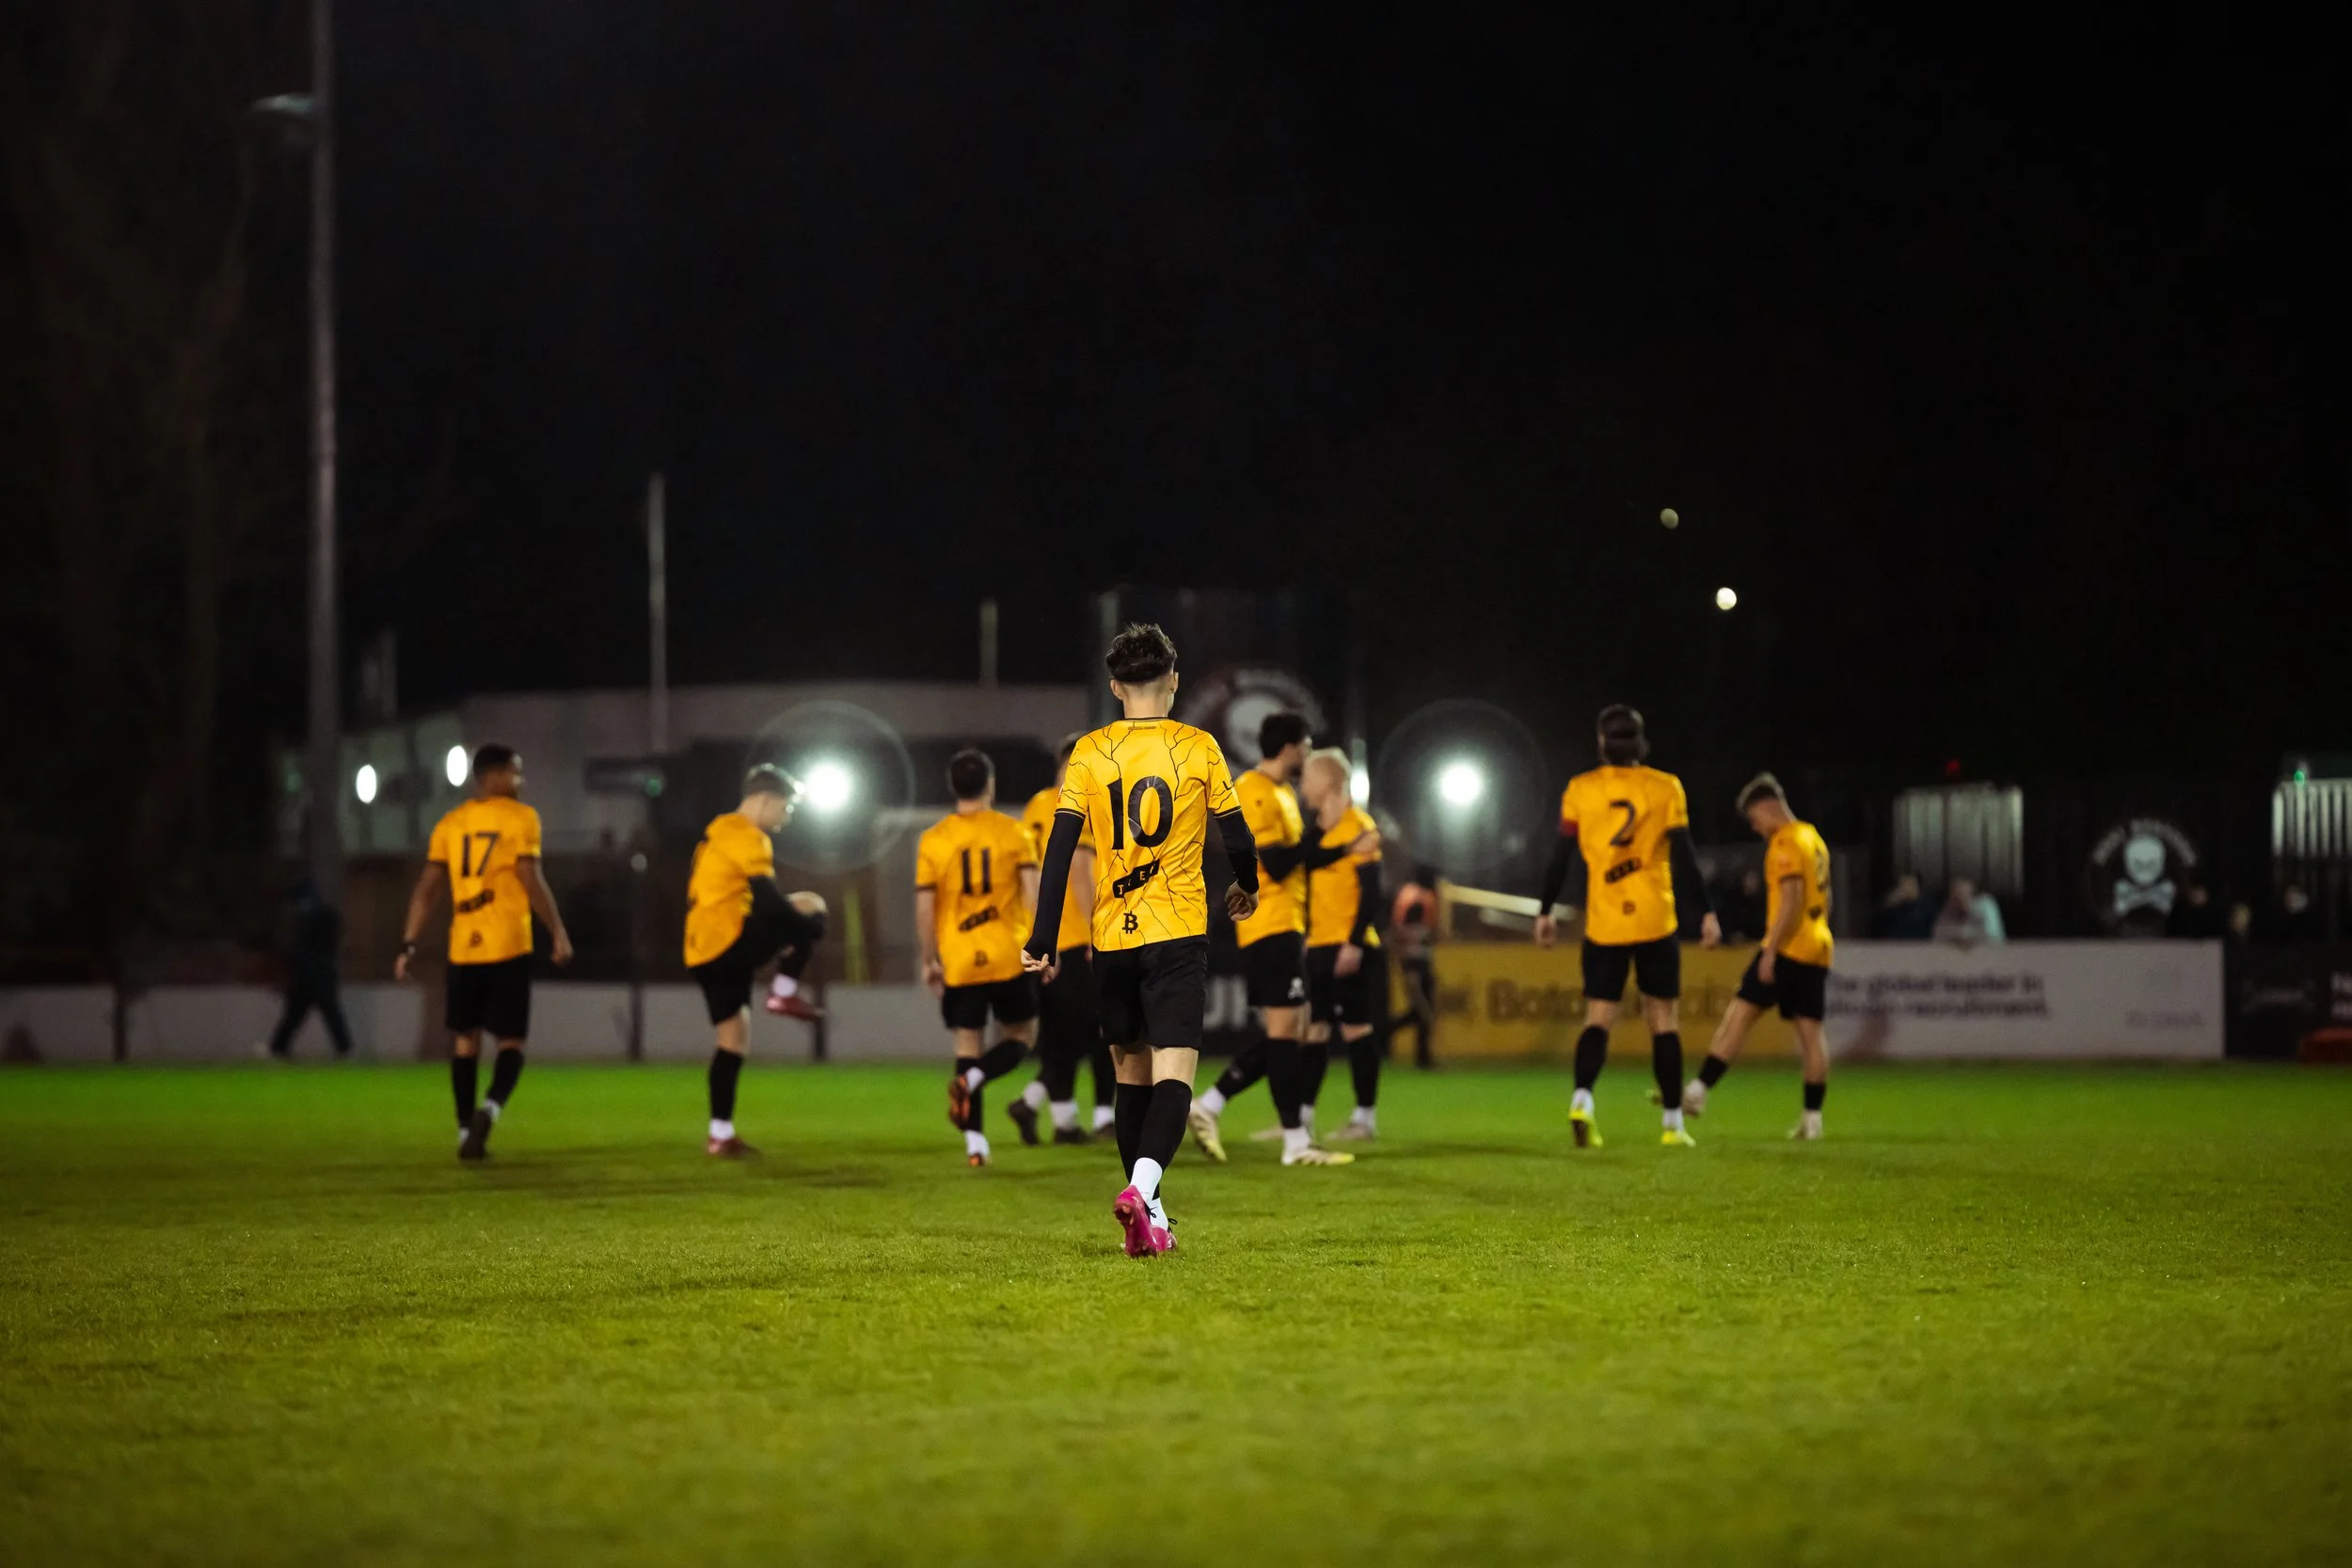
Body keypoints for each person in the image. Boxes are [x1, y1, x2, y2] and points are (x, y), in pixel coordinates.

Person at [1023, 623, 1263, 1256]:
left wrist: (1043, 935)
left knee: (1129, 1073)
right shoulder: (1198, 746)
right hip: (1176, 930)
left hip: (1112, 936)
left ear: (1114, 687)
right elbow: (1238, 836)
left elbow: (1059, 850)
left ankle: (1151, 1217)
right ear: (1174, 682)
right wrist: (1247, 884)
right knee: (1174, 1074)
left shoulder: (1091, 751)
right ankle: (1143, 1190)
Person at [1531, 705, 1720, 1148]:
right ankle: (1673, 1125)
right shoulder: (1665, 787)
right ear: (1640, 741)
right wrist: (1706, 912)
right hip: (1655, 918)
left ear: (1601, 742)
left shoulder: (1581, 789)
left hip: (1605, 923)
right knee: (1663, 1021)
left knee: (1598, 1018)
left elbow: (1560, 856)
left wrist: (1545, 910)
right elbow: (1686, 857)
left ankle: (1582, 1100)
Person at [1186, 710, 1368, 1165]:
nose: (1308, 754)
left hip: (1286, 926)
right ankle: (1294, 1142)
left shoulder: (1282, 793)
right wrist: (1323, 830)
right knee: (1288, 1032)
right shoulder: (1252, 790)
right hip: (1268, 925)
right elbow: (1277, 864)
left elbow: (1298, 860)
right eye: (1305, 745)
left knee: (1295, 1032)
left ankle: (1211, 1105)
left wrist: (1342, 847)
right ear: (1289, 747)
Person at [396, 744, 574, 1161]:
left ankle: (464, 1132)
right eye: (515, 772)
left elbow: (426, 891)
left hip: (463, 948)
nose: (520, 780)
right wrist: (558, 930)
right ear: (491, 775)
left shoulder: (451, 823)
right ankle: (489, 1110)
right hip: (508, 943)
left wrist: (408, 943)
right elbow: (529, 877)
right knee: (512, 1042)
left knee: (465, 1040)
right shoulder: (521, 818)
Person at [683, 765, 829, 1158]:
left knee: (732, 1040)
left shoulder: (719, 831)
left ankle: (720, 1134)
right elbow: (768, 903)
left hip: (700, 949)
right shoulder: (750, 836)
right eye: (786, 807)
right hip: (727, 941)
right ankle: (782, 992)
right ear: (765, 800)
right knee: (811, 905)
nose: (787, 816)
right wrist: (809, 930)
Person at [1683, 773, 1835, 1139]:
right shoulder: (1813, 839)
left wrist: (1770, 952)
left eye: (1755, 819)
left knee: (1739, 1016)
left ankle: (1698, 1091)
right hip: (1817, 946)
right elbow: (1825, 898)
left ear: (1768, 808)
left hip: (1787, 948)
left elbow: (1791, 901)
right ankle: (1812, 1120)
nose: (1756, 828)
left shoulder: (1785, 842)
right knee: (1811, 1034)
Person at [917, 749, 1041, 1167]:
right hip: (1008, 954)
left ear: (953, 786)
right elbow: (1033, 895)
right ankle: (971, 1080)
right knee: (1022, 1036)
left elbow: (924, 908)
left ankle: (975, 1145)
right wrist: (1044, 946)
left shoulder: (934, 840)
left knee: (967, 1042)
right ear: (990, 783)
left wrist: (928, 959)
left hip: (960, 959)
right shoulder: (1014, 833)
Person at [1021, 736, 1115, 1144]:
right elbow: (1079, 868)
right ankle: (1101, 1116)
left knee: (1062, 1030)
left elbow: (1030, 873)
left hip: (1046, 932)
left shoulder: (1038, 804)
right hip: (1079, 935)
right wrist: (1097, 928)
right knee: (1101, 1028)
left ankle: (1056, 1116)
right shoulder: (1084, 799)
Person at [1297, 749, 1386, 1141]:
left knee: (1355, 1029)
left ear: (1326, 782)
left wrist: (1353, 942)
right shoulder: (1318, 830)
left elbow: (1372, 893)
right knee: (1314, 1030)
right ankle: (1301, 1119)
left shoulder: (1359, 826)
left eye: (1308, 778)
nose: (1303, 786)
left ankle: (1365, 1118)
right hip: (1319, 944)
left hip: (1348, 945)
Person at [267, 876, 353, 1059]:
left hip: (307, 976)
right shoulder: (327, 916)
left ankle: (278, 1048)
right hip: (322, 975)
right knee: (326, 1013)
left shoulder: (307, 920)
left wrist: (288, 975)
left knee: (297, 1014)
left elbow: (298, 950)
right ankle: (344, 1049)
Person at [1390, 865, 1439, 1069]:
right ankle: (1383, 1033)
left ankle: (1423, 1057)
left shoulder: (1406, 894)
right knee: (1423, 1010)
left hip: (1413, 961)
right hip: (1416, 962)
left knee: (1420, 1011)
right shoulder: (1421, 899)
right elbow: (1415, 932)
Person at [1932, 878, 2006, 944]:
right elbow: (1937, 934)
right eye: (1954, 895)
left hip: (1989, 951)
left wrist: (1961, 934)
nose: (1958, 898)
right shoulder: (1949, 907)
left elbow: (1992, 935)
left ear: (1972, 894)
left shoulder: (1985, 904)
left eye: (1962, 893)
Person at [1871, 874, 1937, 940]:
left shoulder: (1925, 908)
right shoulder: (1892, 910)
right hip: (1895, 942)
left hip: (1919, 943)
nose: (1907, 888)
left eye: (1911, 885)